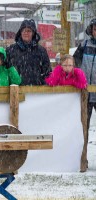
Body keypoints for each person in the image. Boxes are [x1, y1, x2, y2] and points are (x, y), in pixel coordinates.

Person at [73, 18, 96, 172]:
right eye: (95, 28)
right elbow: (74, 62)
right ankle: (82, 160)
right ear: (91, 30)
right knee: (83, 129)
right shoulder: (84, 45)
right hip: (85, 94)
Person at [6, 19, 52, 85]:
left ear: (33, 33)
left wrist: (43, 83)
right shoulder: (11, 49)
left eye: (29, 31)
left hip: (36, 90)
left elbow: (47, 72)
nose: (26, 33)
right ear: (20, 32)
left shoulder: (41, 51)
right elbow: (5, 68)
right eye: (23, 30)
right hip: (16, 90)